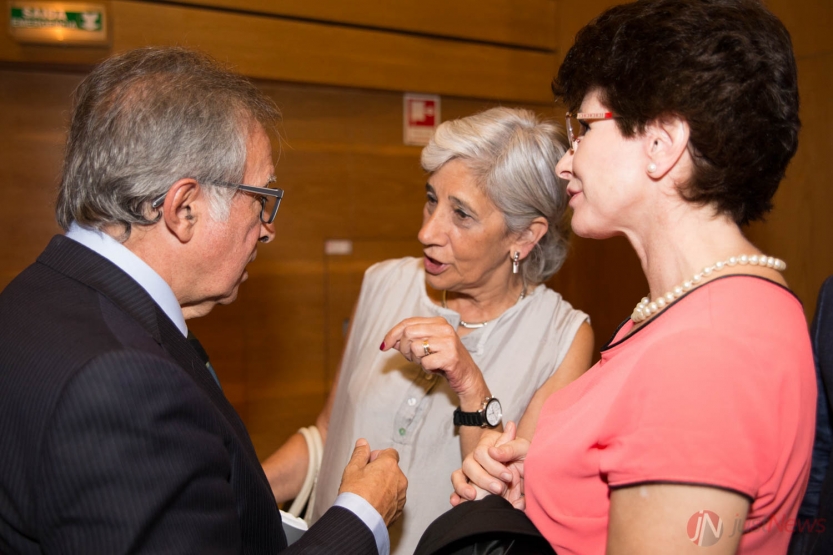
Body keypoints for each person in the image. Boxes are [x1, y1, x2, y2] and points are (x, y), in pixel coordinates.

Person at [0, 46, 406, 555]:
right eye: (260, 198)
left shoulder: (36, 293)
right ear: (184, 209)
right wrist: (361, 516)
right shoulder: (125, 383)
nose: (268, 229)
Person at [451, 1, 816, 554]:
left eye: (582, 128)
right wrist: (549, 481)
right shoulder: (693, 310)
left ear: (661, 144)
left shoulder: (705, 351)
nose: (565, 162)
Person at [262, 107, 594, 554]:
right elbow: (328, 433)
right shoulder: (383, 283)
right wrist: (246, 491)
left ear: (523, 237)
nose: (426, 232)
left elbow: (506, 505)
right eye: (431, 199)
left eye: (461, 215)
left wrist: (470, 382)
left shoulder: (563, 338)